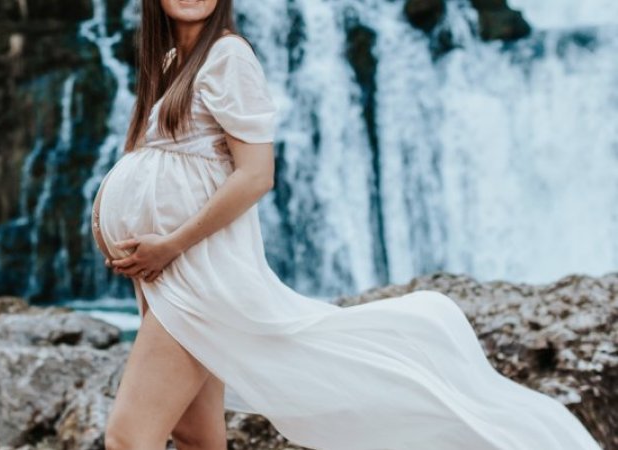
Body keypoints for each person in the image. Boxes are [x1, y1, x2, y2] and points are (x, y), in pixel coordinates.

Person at [90, 1, 603, 449]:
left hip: (196, 277)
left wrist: (171, 244)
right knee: (196, 436)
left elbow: (256, 176)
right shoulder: (172, 62)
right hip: (171, 276)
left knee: (128, 436)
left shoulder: (227, 55)